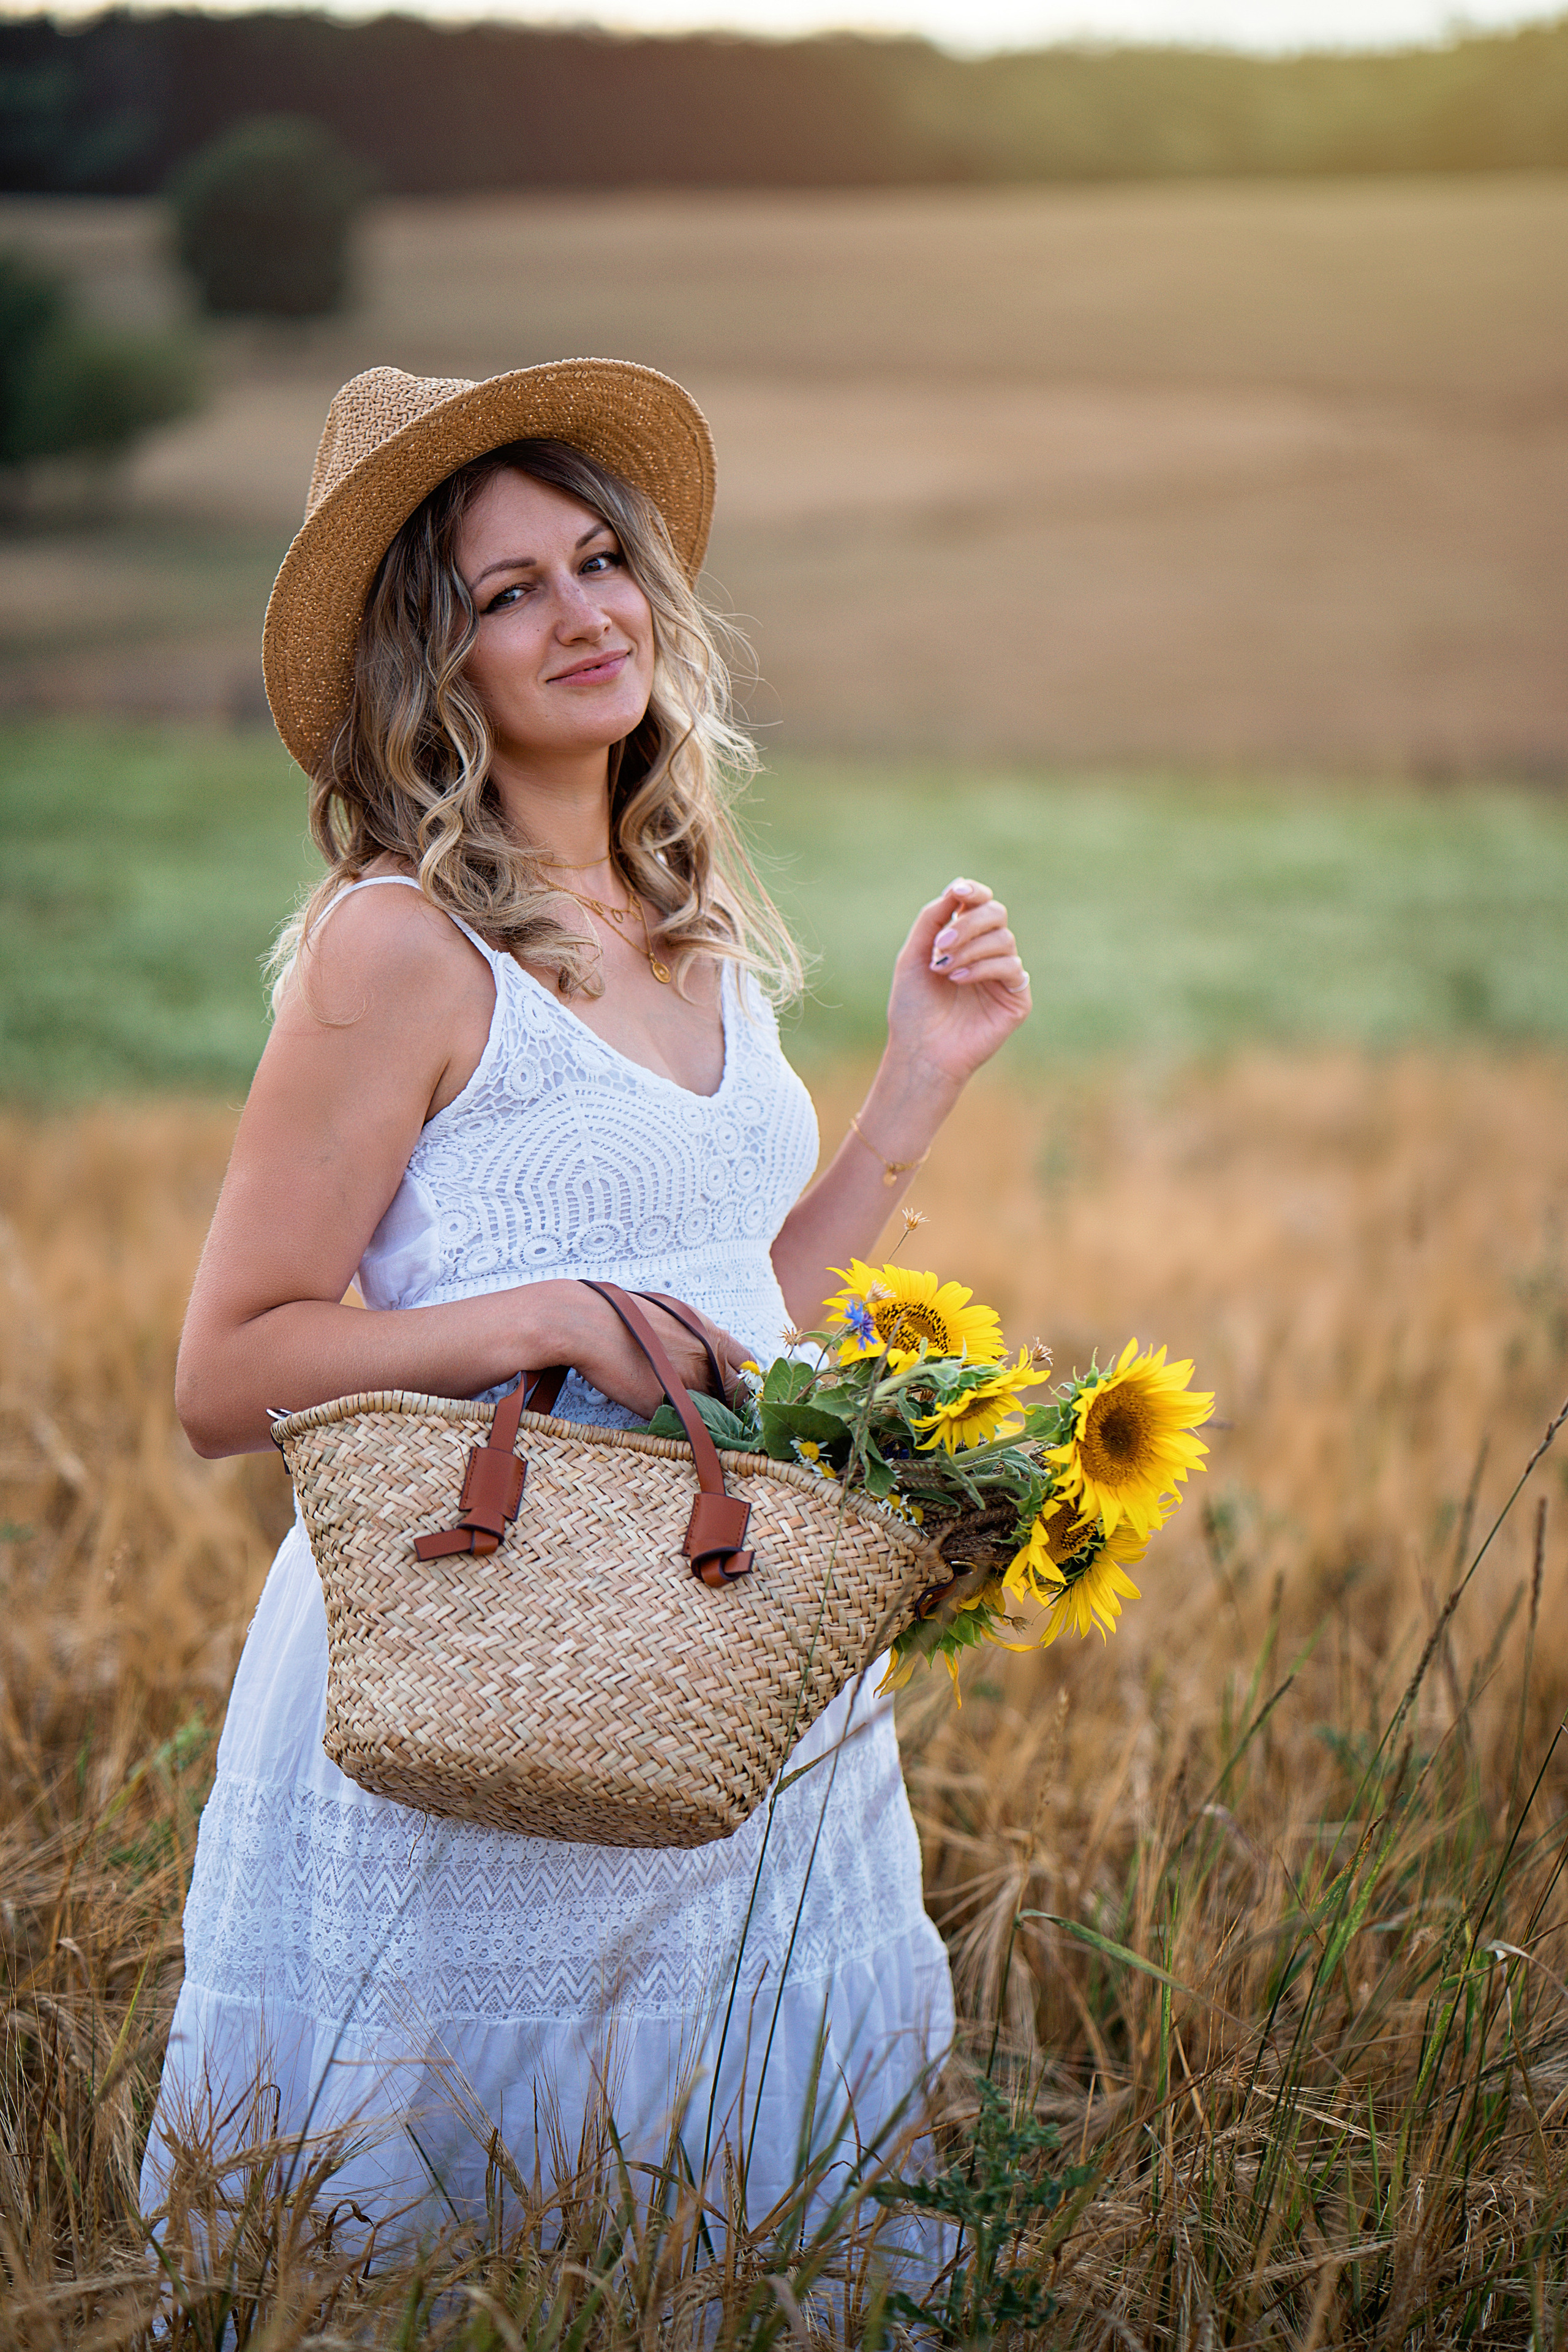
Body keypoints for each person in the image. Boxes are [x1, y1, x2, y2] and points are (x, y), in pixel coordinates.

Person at [141, 360, 1031, 2246]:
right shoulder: (400, 947)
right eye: (506, 592)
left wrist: (917, 1085)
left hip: (711, 1664)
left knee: (741, 2202)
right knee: (480, 2229)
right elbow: (227, 1374)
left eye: (599, 559)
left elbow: (734, 1321)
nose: (583, 612)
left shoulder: (690, 922)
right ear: (430, 666)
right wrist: (517, 1316)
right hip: (483, 1653)